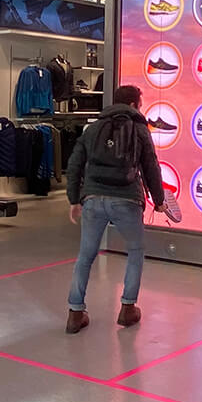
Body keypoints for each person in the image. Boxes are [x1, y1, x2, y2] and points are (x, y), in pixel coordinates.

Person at [64, 84, 165, 333]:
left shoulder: (93, 127)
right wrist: (159, 200)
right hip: (126, 199)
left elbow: (75, 163)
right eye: (140, 104)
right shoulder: (140, 129)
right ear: (133, 104)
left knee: (86, 256)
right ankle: (127, 309)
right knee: (135, 251)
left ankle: (75, 312)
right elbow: (151, 166)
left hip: (93, 199)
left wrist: (74, 199)